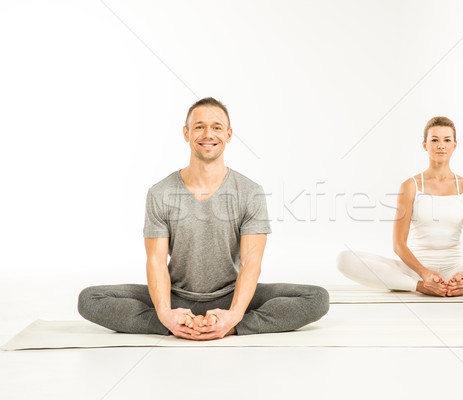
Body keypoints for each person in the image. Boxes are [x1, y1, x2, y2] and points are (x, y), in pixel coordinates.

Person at [78, 97, 329, 340]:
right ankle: (177, 325)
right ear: (186, 134)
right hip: (176, 296)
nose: (208, 134)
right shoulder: (160, 193)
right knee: (89, 299)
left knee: (316, 298)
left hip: (232, 296)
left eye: (216, 127)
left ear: (228, 135)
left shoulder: (250, 192)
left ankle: (229, 326)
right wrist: (165, 314)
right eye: (199, 127)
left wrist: (234, 317)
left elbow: (251, 263)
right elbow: (155, 262)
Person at [337, 116, 463, 297]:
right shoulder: (410, 186)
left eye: (447, 140)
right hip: (414, 271)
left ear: (455, 145)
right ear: (425, 145)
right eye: (435, 140)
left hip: (458, 270)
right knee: (344, 259)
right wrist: (423, 274)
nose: (441, 145)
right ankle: (418, 288)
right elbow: (398, 244)